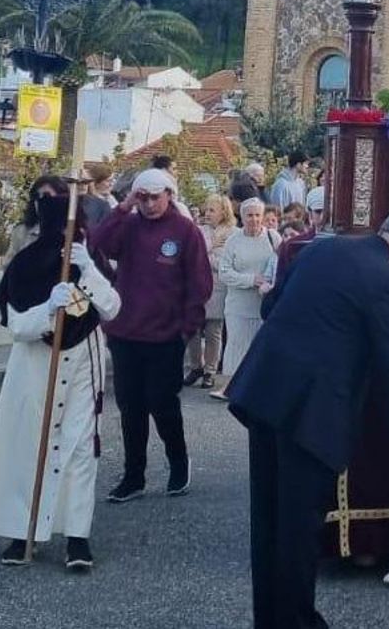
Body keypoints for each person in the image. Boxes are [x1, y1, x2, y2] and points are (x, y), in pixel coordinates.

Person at [227, 208, 389, 629]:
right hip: (312, 411)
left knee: (269, 519)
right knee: (299, 527)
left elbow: (272, 305)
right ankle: (295, 621)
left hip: (266, 391)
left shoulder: (321, 251)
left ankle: (270, 619)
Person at [0, 177, 120, 570]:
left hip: (84, 362)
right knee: (29, 445)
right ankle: (22, 530)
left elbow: (113, 307)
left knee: (80, 448)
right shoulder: (27, 261)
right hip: (36, 366)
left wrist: (88, 273)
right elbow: (17, 325)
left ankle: (77, 537)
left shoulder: (90, 256)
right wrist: (47, 309)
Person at [90, 169, 213, 503]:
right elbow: (96, 244)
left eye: (154, 196)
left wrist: (186, 330)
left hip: (166, 336)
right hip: (126, 332)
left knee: (163, 403)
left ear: (169, 195)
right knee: (131, 407)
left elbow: (199, 284)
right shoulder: (129, 225)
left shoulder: (185, 231)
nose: (148, 203)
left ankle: (177, 462)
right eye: (141, 197)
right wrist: (122, 207)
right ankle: (134, 476)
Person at [212, 198, 280, 401]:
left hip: (264, 304)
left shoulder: (273, 237)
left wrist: (270, 284)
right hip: (238, 304)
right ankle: (229, 388)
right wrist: (251, 280)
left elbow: (282, 264)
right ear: (241, 217)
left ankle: (259, 389)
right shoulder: (234, 240)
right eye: (250, 215)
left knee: (261, 346)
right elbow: (224, 273)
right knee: (236, 344)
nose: (255, 219)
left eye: (258, 215)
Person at [185, 195, 236, 390]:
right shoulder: (198, 230)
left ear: (224, 212)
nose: (207, 214)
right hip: (196, 284)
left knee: (214, 329)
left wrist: (207, 253)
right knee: (192, 329)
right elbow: (192, 256)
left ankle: (210, 371)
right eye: (206, 210)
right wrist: (210, 250)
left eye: (212, 210)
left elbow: (222, 262)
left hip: (218, 286)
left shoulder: (232, 233)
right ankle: (195, 366)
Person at [80, 163, 118, 230]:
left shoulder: (110, 199)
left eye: (112, 181)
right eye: (108, 181)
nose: (111, 184)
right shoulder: (87, 202)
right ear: (96, 182)